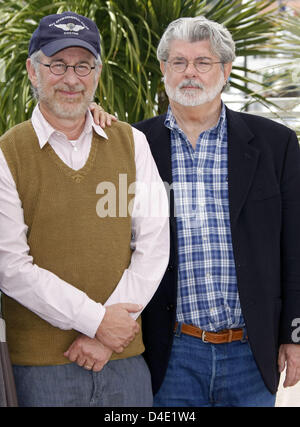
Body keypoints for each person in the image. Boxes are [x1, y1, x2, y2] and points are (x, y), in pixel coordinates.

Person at [0, 11, 169, 407]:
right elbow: (10, 265)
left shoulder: (131, 142)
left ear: (97, 72)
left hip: (124, 363)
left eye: (83, 65)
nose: (72, 79)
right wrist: (97, 322)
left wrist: (106, 336)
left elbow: (153, 244)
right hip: (40, 370)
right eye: (57, 64)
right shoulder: (8, 153)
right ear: (32, 70)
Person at [132, 16, 300, 407]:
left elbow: (294, 247)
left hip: (249, 352)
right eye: (178, 62)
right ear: (163, 69)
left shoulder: (276, 145)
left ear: (225, 69)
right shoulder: (135, 144)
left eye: (202, 62)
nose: (190, 72)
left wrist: (293, 334)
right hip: (170, 356)